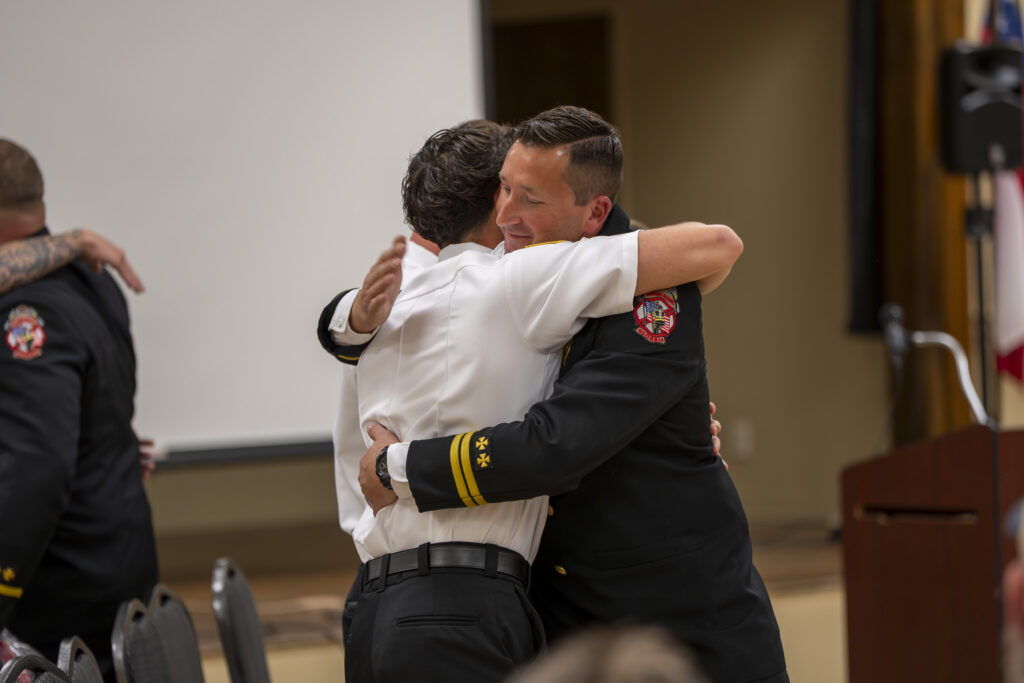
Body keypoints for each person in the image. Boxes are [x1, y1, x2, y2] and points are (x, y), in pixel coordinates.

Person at [348, 107, 788, 683]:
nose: (504, 214)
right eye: (503, 189)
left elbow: (557, 445)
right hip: (564, 627)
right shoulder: (498, 283)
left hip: (675, 626)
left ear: (594, 212)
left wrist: (398, 466)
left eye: (528, 199)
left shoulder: (651, 291)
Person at [0, 139, 158, 682]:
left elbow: (35, 471)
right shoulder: (92, 275)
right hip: (113, 559)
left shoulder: (26, 313)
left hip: (59, 592)